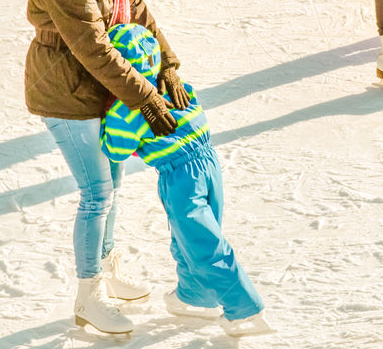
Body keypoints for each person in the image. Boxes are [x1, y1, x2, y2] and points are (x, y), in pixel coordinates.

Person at [24, 0, 191, 334]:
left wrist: (168, 66)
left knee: (113, 183)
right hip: (64, 92)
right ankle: (88, 296)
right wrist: (147, 96)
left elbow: (135, 8)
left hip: (99, 90)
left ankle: (108, 265)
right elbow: (93, 47)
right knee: (96, 193)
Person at [100, 23, 273, 337]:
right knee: (190, 238)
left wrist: (108, 112)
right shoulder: (177, 87)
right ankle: (195, 296)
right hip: (209, 164)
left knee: (203, 243)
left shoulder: (131, 110)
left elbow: (114, 148)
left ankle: (244, 310)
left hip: (180, 178)